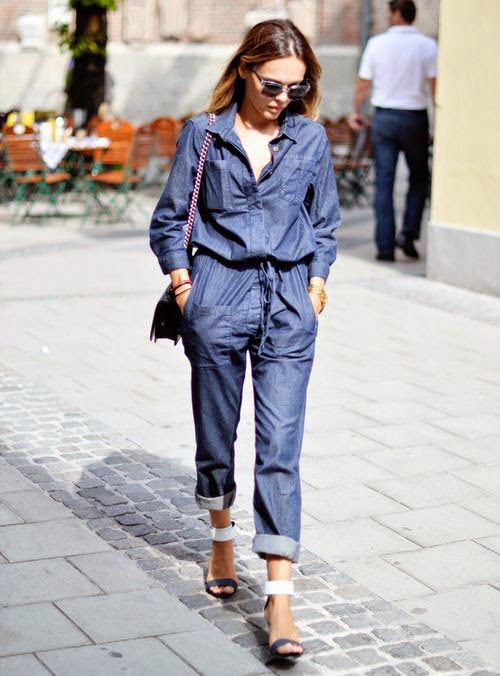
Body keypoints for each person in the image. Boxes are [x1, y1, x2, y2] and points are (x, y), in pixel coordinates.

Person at [150, 19, 340, 659]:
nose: (284, 97)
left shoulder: (309, 139)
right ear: (245, 70)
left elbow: (325, 223)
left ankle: (280, 596)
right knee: (216, 436)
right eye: (272, 84)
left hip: (287, 302)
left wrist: (316, 282)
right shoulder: (204, 135)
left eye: (297, 86)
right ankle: (221, 538)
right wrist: (185, 287)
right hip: (218, 296)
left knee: (281, 445)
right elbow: (170, 219)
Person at [349, 0, 437, 261]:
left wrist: (356, 111)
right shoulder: (428, 46)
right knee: (419, 178)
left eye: (389, 13)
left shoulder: (376, 44)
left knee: (383, 183)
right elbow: (434, 87)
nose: (387, 16)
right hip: (415, 118)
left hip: (384, 118)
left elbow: (363, 84)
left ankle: (385, 247)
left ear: (397, 14)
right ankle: (408, 234)